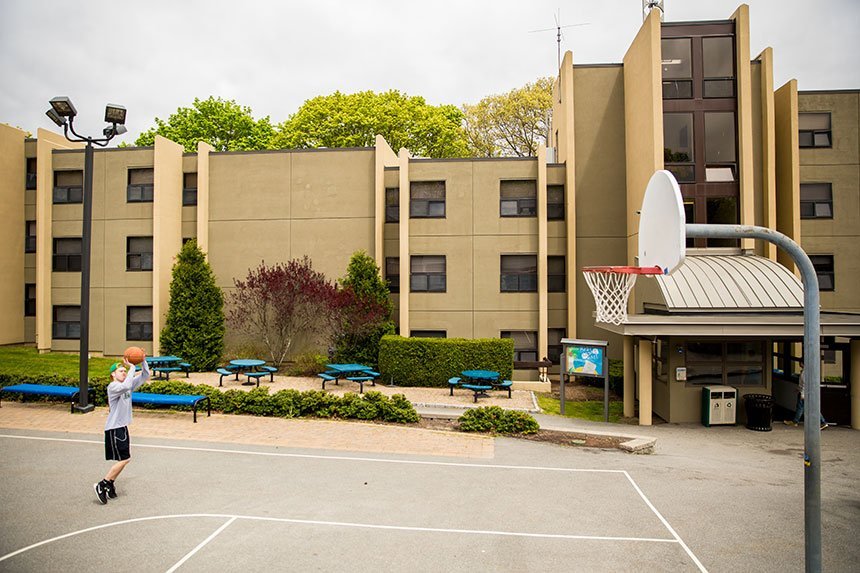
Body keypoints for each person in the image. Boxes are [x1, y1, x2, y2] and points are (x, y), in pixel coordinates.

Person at [94, 357, 150, 504]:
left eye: (125, 371)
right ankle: (103, 483)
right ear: (113, 374)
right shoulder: (113, 387)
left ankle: (110, 483)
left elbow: (145, 376)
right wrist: (132, 367)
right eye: (121, 371)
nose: (124, 373)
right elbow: (125, 386)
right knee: (125, 459)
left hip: (122, 427)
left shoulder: (127, 385)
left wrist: (142, 361)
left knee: (124, 459)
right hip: (114, 428)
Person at [784, 359, 828, 430]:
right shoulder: (808, 372)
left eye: (799, 363)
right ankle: (795, 421)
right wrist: (799, 389)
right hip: (806, 392)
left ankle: (823, 422)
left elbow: (805, 384)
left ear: (802, 363)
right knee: (800, 407)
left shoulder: (805, 373)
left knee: (811, 408)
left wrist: (802, 394)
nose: (799, 364)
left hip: (806, 393)